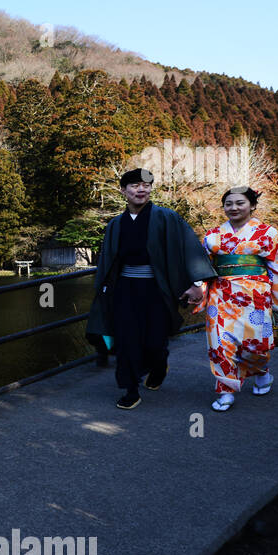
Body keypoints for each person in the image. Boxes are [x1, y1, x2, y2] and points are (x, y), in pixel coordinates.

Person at [86, 168, 217, 410]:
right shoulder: (115, 224)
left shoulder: (166, 217)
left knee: (156, 341)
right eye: (135, 185)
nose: (141, 189)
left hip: (156, 288)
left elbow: (188, 247)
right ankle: (130, 389)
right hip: (124, 289)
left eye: (146, 185)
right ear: (123, 191)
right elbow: (108, 262)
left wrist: (197, 283)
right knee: (126, 340)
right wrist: (103, 290)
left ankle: (159, 363)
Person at [197, 186, 278, 412]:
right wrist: (197, 289)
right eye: (228, 204)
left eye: (240, 203)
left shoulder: (268, 233)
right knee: (220, 344)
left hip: (255, 294)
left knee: (256, 345)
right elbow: (203, 267)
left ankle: (261, 370)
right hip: (220, 292)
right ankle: (225, 391)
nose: (233, 208)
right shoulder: (212, 235)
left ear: (252, 205)